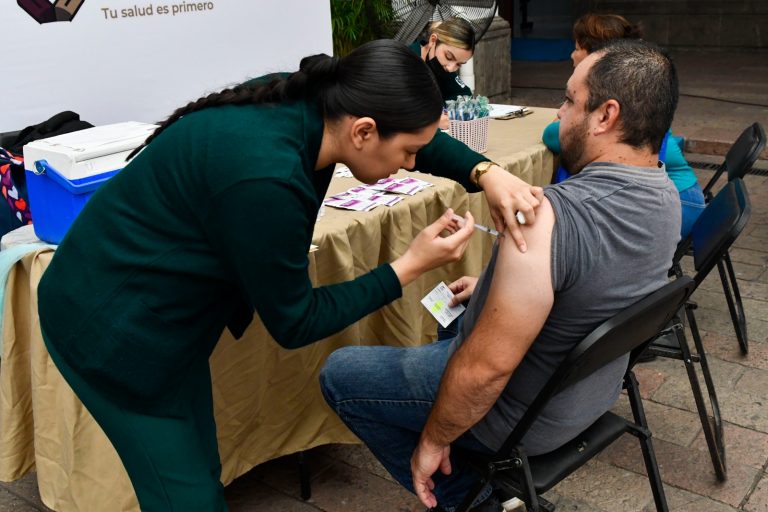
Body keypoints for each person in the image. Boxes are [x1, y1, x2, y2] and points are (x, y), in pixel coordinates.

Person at [36, 39, 542, 511]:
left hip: (164, 316)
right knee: (184, 495)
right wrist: (409, 264)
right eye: (408, 153)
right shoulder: (265, 176)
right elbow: (295, 322)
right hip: (112, 332)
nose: (412, 164)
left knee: (199, 467)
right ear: (363, 131)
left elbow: (416, 135)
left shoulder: (324, 99)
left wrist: (485, 173)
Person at [321, 39, 682, 512]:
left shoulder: (545, 218)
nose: (559, 113)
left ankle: (472, 500)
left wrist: (433, 441)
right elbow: (593, 288)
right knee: (451, 316)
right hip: (586, 398)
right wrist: (490, 289)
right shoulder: (666, 194)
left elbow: (486, 371)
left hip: (519, 418)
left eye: (570, 100)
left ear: (605, 116)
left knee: (339, 373)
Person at [543, 13, 705, 238]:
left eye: (577, 47)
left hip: (676, 205)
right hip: (674, 197)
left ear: (593, 54)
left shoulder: (616, 94)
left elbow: (554, 135)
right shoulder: (635, 87)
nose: (572, 55)